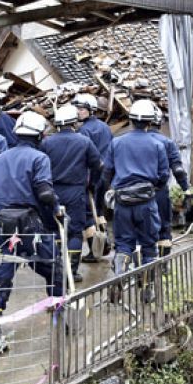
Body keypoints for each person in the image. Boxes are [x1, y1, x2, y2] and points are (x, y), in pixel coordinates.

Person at [0, 111, 64, 353]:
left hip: (2, 224)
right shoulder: (39, 158)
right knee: (54, 269)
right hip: (31, 225)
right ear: (39, 135)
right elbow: (45, 194)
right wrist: (57, 209)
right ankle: (58, 320)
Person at [102, 99, 168, 300]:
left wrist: (109, 190)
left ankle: (120, 274)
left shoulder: (116, 142)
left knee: (123, 244)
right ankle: (147, 290)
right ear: (150, 122)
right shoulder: (158, 144)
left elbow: (107, 171)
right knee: (149, 245)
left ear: (130, 121)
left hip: (123, 201)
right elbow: (163, 175)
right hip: (146, 202)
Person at [41, 105, 103, 282]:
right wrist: (92, 184)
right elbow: (98, 165)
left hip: (52, 192)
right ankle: (72, 271)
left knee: (54, 230)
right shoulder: (83, 141)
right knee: (75, 232)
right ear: (74, 122)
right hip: (76, 191)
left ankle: (57, 269)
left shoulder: (47, 143)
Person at [74, 93, 113, 262]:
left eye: (81, 109)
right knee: (100, 210)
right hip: (105, 174)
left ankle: (94, 250)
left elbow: (86, 155)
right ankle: (105, 243)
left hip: (92, 174)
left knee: (89, 213)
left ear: (91, 110)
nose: (78, 112)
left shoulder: (84, 130)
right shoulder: (104, 127)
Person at [149, 107, 190, 257]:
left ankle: (140, 268)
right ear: (159, 123)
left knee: (136, 229)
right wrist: (186, 188)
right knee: (163, 229)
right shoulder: (167, 142)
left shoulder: (127, 141)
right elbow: (178, 169)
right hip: (159, 191)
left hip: (133, 192)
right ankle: (162, 264)